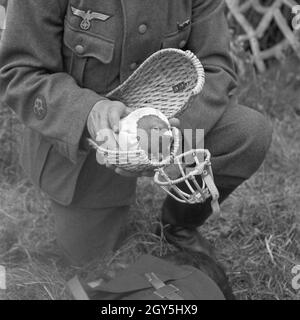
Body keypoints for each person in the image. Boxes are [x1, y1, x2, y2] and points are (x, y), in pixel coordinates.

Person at [0, 0, 272, 265]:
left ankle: (178, 226)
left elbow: (216, 69)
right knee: (91, 263)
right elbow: (21, 73)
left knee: (247, 133)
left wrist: (167, 138)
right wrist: (88, 112)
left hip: (170, 123)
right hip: (91, 143)